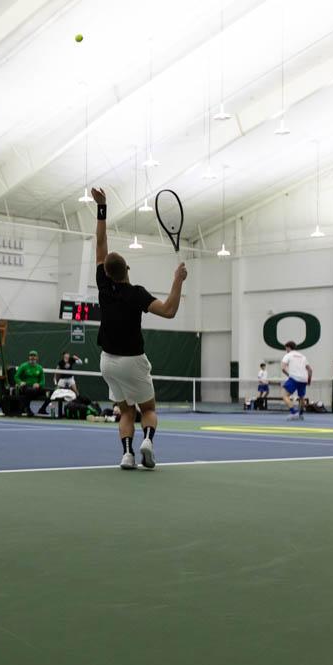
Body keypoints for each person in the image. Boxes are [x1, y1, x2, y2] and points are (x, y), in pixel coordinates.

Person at [92, 187, 187, 470]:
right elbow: (169, 311)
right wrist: (178, 279)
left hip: (107, 362)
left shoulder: (102, 284)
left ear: (106, 272)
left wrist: (102, 206)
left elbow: (100, 241)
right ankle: (147, 440)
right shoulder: (137, 294)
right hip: (133, 362)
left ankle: (127, 454)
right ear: (127, 269)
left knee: (125, 410)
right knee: (148, 409)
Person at [280, 341, 313, 421]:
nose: (286, 350)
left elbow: (283, 368)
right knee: (301, 397)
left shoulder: (288, 355)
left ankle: (294, 412)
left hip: (294, 378)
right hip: (303, 379)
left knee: (284, 395)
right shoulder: (303, 356)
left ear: (288, 347)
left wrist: (289, 375)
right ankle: (301, 414)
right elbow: (310, 370)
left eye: (286, 348)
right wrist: (309, 380)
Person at [14, 350, 51, 415]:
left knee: (52, 393)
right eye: (31, 356)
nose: (32, 357)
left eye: (34, 356)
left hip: (36, 389)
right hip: (26, 387)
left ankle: (42, 409)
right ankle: (27, 408)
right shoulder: (23, 366)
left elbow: (43, 381)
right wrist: (20, 382)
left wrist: (38, 384)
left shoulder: (39, 368)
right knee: (30, 391)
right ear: (29, 357)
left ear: (37, 358)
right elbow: (16, 376)